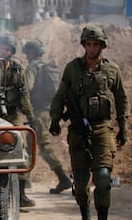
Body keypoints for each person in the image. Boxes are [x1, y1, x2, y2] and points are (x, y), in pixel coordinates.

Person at [49, 26, 129, 220]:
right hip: (78, 130)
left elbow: (121, 99)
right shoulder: (72, 69)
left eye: (96, 45)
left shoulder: (112, 70)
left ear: (102, 46)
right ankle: (85, 216)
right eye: (89, 44)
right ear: (84, 45)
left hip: (102, 129)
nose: (92, 48)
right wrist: (55, 119)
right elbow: (60, 95)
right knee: (81, 183)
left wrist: (123, 128)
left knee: (102, 178)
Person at [0, 34, 36, 208]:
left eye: (7, 48)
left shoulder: (17, 70)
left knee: (22, 150)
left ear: (12, 51)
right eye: (1, 47)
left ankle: (20, 193)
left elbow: (24, 96)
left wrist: (30, 117)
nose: (3, 51)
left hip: (13, 116)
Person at [23, 39, 72, 194]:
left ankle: (63, 178)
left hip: (37, 113)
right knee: (29, 145)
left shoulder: (32, 67)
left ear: (30, 53)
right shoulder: (45, 66)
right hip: (46, 111)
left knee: (44, 146)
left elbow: (27, 87)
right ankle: (25, 181)